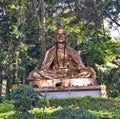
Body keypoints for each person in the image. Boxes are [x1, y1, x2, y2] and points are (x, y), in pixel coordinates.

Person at [28, 27, 97, 87]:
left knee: (89, 72)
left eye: (62, 34)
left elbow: (81, 67)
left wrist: (71, 67)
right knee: (34, 73)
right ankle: (60, 80)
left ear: (66, 37)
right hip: (54, 74)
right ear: (55, 37)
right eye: (58, 34)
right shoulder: (50, 51)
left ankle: (66, 79)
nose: (60, 36)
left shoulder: (72, 51)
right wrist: (53, 69)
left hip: (70, 73)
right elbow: (44, 68)